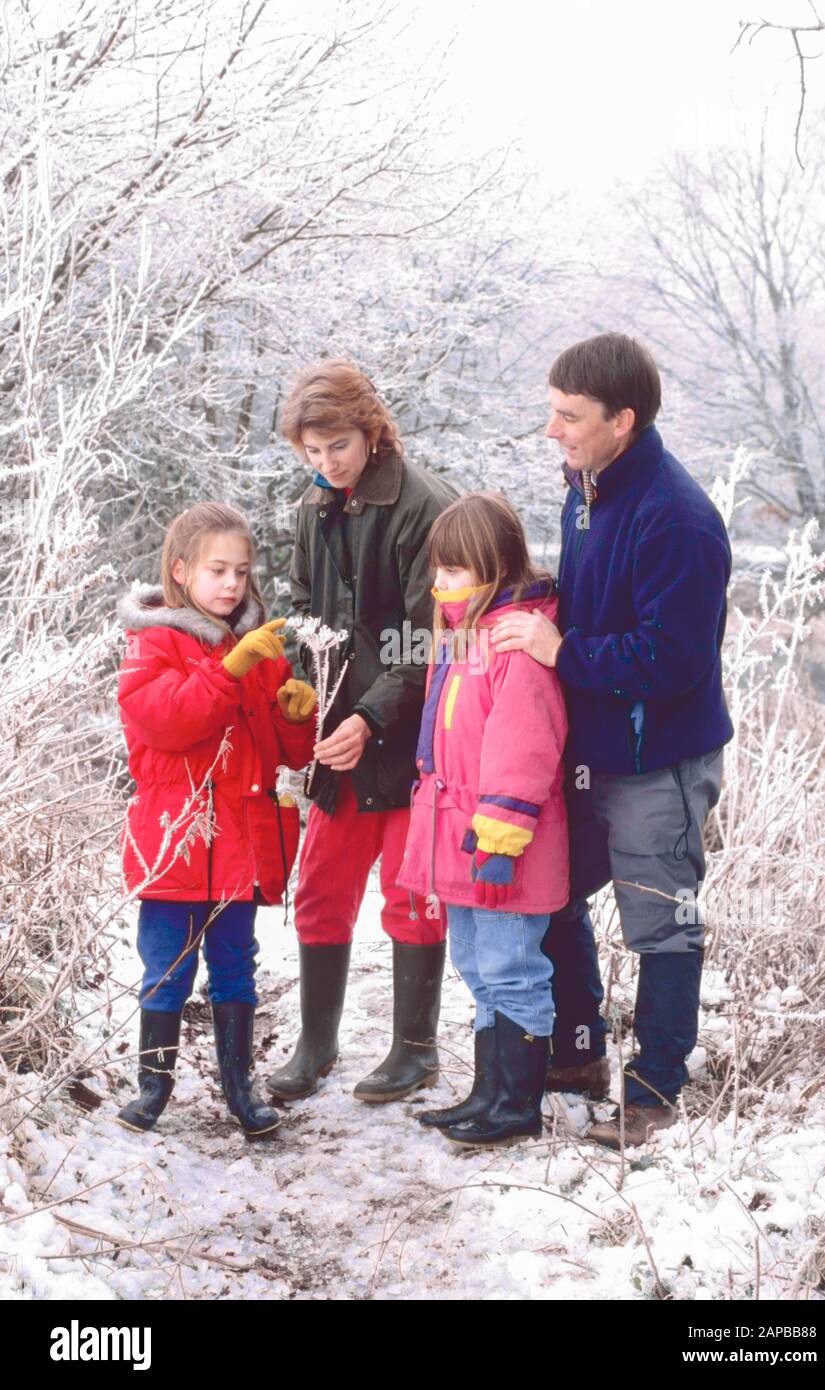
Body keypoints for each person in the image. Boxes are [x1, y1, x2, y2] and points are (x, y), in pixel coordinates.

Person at [491, 333, 733, 1149]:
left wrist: (563, 652)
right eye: (550, 412)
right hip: (591, 749)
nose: (551, 430)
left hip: (656, 758)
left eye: (568, 416)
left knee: (660, 920)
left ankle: (656, 1089)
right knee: (549, 889)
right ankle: (580, 1052)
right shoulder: (586, 488)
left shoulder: (678, 518)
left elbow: (674, 658)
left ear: (621, 420)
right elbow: (596, 600)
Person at [267, 361, 457, 1106]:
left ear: (371, 427)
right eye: (311, 452)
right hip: (336, 741)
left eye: (337, 445)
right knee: (319, 891)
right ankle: (316, 1043)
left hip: (406, 741)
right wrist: (301, 696)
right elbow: (302, 611)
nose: (325, 464)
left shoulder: (425, 505)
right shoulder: (309, 509)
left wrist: (370, 715)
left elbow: (428, 640)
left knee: (411, 895)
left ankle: (415, 1051)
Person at [116, 502, 316, 1137]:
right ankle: (154, 1086)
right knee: (167, 965)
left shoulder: (261, 650)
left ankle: (239, 1085)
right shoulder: (153, 644)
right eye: (217, 570)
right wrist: (228, 669)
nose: (232, 583)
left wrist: (294, 713)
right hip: (176, 841)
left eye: (242, 570)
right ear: (181, 572)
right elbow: (168, 721)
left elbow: (293, 755)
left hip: (242, 844)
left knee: (236, 965)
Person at [399, 493, 569, 1146]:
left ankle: (517, 1106)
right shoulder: (463, 638)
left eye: (453, 573)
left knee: (512, 970)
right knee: (476, 964)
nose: (439, 586)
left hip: (505, 845)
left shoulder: (513, 645)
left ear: (492, 570)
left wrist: (499, 836)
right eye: (435, 572)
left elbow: (523, 750)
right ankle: (487, 1092)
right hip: (461, 842)